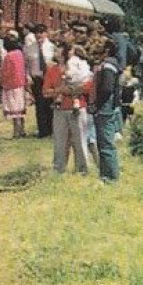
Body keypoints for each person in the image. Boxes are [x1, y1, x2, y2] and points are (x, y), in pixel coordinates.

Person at [52, 40, 93, 175]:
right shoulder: (53, 69)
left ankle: (82, 169)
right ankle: (59, 168)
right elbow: (46, 91)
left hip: (78, 105)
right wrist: (59, 90)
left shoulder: (78, 64)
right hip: (61, 107)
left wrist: (74, 90)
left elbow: (88, 86)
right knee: (60, 142)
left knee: (80, 140)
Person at [91, 44, 125, 181]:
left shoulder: (108, 67)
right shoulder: (113, 65)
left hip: (105, 109)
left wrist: (97, 105)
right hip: (109, 107)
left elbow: (107, 89)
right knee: (104, 143)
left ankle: (110, 176)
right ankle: (105, 174)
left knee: (106, 144)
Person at [0, 32, 29, 137]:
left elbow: (6, 71)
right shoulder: (20, 54)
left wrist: (2, 81)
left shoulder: (8, 56)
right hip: (20, 85)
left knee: (14, 111)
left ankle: (16, 132)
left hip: (11, 85)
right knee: (20, 110)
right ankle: (22, 130)